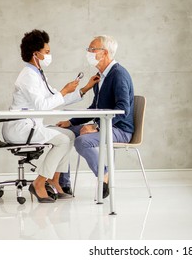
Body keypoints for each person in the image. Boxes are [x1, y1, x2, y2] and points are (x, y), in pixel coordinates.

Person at [2, 29, 100, 203]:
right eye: (47, 52)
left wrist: (84, 88)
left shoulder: (38, 74)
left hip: (30, 126)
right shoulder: (28, 77)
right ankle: (39, 183)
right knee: (62, 140)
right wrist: (63, 91)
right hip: (19, 128)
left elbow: (55, 99)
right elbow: (43, 106)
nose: (49, 55)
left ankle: (54, 179)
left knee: (69, 135)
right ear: (36, 54)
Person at [57, 35, 134, 198]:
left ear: (104, 52)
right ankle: (63, 185)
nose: (89, 52)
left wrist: (97, 127)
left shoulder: (118, 74)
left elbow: (123, 109)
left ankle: (105, 176)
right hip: (107, 126)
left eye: (93, 49)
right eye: (89, 49)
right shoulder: (101, 77)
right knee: (63, 134)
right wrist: (70, 122)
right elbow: (94, 108)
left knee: (82, 141)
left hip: (120, 129)